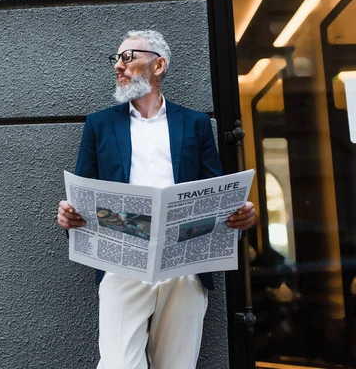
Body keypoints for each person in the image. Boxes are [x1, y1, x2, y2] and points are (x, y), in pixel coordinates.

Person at [57, 30, 255, 369]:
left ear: (159, 65)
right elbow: (83, 191)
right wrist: (69, 216)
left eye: (128, 57)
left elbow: (217, 190)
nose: (118, 66)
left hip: (185, 265)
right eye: (116, 59)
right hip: (121, 263)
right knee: (118, 364)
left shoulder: (194, 124)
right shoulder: (99, 124)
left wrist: (240, 217)